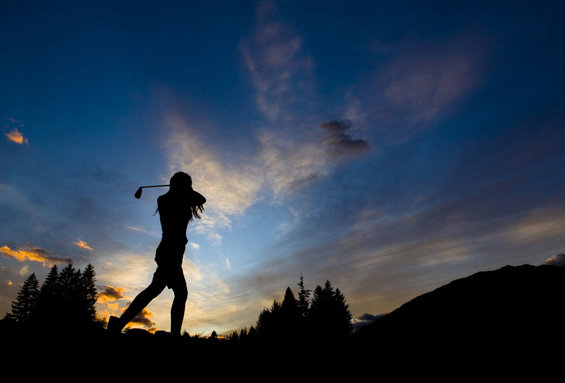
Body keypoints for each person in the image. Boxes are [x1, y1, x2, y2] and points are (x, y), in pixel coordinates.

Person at [108, 172, 205, 336]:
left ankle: (118, 324)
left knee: (155, 290)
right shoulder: (168, 200)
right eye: (187, 184)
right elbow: (200, 199)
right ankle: (174, 334)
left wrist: (185, 188)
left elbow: (201, 199)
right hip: (170, 251)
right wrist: (186, 190)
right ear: (181, 185)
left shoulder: (177, 199)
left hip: (172, 251)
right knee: (179, 293)